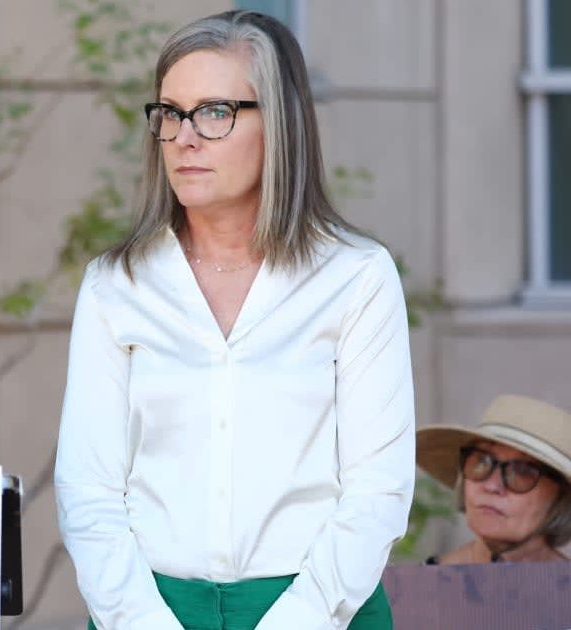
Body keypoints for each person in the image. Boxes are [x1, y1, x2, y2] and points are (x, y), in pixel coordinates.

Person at [53, 10, 414, 630]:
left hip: (321, 610)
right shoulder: (117, 285)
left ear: (280, 124)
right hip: (147, 610)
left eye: (215, 112)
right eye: (170, 113)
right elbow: (88, 491)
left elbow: (377, 492)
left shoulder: (356, 277)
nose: (185, 137)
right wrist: (141, 621)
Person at [416, 394, 571, 565]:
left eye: (522, 471)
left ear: (561, 498)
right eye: (481, 461)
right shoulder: (412, 586)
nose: (491, 486)